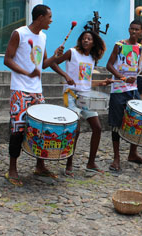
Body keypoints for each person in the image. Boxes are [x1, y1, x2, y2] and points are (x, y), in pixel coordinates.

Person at [3, 4, 64, 186]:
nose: (51, 20)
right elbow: (7, 59)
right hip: (20, 89)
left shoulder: (43, 36)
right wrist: (26, 73)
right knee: (18, 130)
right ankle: (12, 169)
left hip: (37, 90)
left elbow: (43, 64)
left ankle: (40, 165)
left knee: (42, 128)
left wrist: (54, 56)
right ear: (40, 18)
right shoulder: (19, 33)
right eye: (49, 17)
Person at [52, 30, 110, 176]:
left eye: (89, 39)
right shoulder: (72, 52)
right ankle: (69, 164)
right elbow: (53, 63)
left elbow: (86, 81)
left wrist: (102, 82)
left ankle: (91, 163)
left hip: (85, 96)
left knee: (97, 127)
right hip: (71, 95)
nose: (86, 41)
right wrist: (65, 76)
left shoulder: (92, 58)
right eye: (84, 38)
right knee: (75, 130)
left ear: (93, 42)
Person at [106, 20, 142, 172]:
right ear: (128, 29)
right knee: (116, 124)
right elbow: (109, 65)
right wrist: (123, 77)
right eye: (131, 29)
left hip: (133, 89)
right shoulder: (119, 45)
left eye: (136, 30)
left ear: (141, 32)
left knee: (137, 121)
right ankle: (116, 158)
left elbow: (139, 68)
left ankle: (133, 153)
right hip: (119, 89)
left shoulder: (139, 48)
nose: (133, 32)